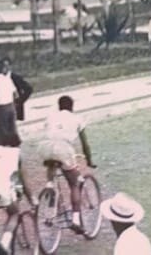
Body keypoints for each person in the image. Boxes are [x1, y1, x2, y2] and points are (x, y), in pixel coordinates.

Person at [37, 95, 95, 233]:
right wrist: (89, 160)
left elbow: (49, 132)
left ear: (59, 106)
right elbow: (85, 143)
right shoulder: (76, 119)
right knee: (74, 183)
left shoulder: (51, 117)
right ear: (72, 106)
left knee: (52, 164)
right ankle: (75, 219)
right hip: (63, 149)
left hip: (45, 148)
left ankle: (50, 187)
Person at [0, 59, 20, 147]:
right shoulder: (7, 80)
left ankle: (3, 146)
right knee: (12, 128)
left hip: (0, 108)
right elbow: (16, 94)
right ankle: (14, 145)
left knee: (1, 131)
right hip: (10, 106)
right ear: (4, 69)